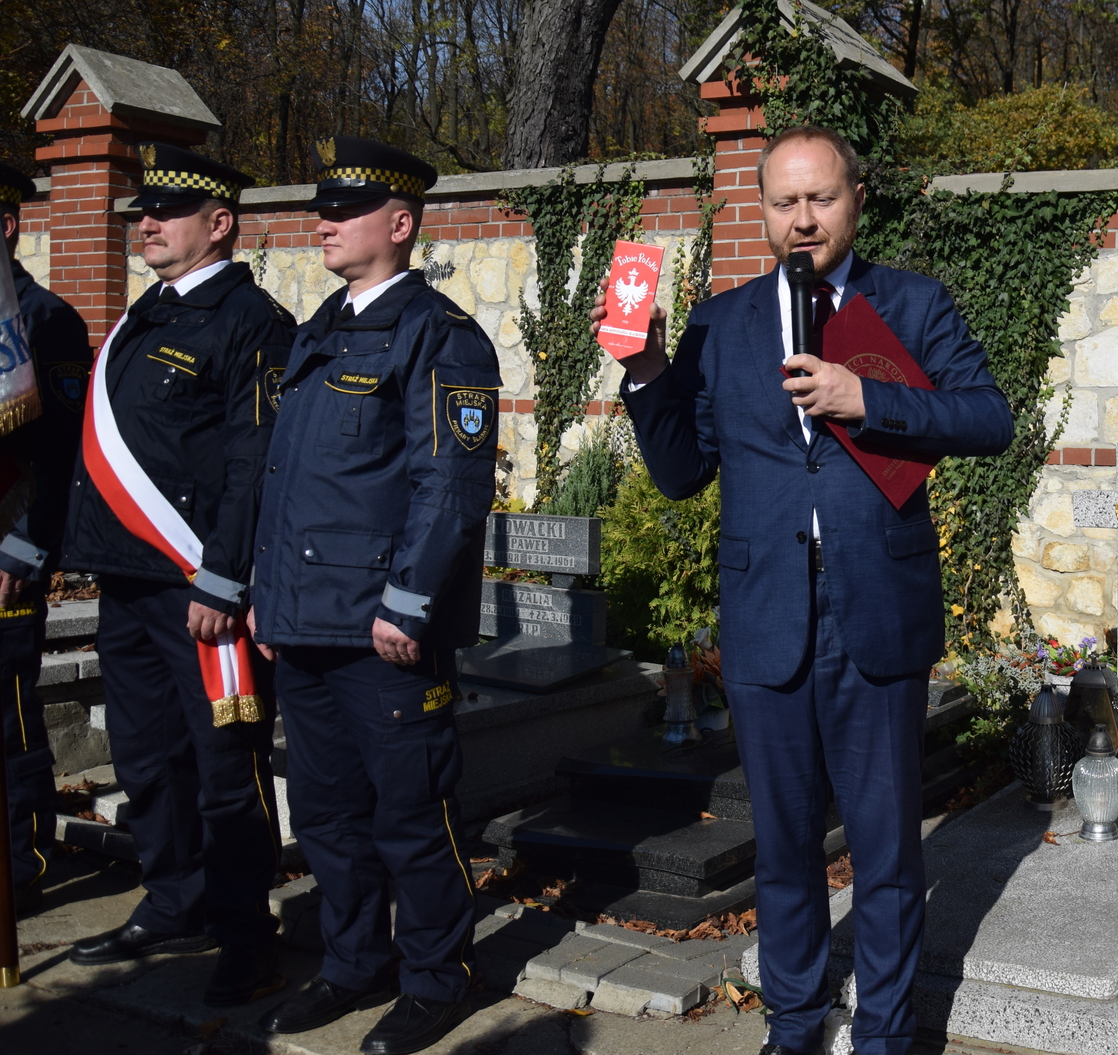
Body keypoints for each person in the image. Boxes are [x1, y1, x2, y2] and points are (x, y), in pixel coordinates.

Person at [599, 124, 1012, 1055]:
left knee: (887, 846)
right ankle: (792, 1026)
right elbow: (682, 472)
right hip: (767, 612)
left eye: (821, 198)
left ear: (856, 197)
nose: (803, 218)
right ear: (761, 211)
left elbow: (989, 419)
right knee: (783, 844)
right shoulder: (722, 322)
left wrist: (869, 400)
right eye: (784, 202)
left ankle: (886, 1036)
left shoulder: (913, 304)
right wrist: (648, 369)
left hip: (878, 606)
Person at [250, 136, 498, 1055]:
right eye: (323, 209)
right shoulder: (318, 329)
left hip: (382, 632)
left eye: (345, 210)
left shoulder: (441, 334)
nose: (325, 222)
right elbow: (288, 481)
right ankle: (353, 962)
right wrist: (269, 599)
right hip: (306, 624)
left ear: (399, 224)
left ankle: (437, 977)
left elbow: (452, 486)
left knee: (411, 815)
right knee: (325, 814)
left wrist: (409, 602)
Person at [61, 144, 290, 1005]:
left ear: (219, 223)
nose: (147, 224)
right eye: (143, 213)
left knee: (226, 767)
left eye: (166, 212)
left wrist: (224, 578)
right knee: (146, 758)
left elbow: (254, 461)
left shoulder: (251, 322)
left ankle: (245, 932)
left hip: (198, 591)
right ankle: (173, 901)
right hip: (125, 580)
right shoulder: (143, 316)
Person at [0, 163, 90, 914]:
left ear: (5, 226)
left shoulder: (45, 320)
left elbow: (59, 455)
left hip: (3, 554)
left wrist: (26, 549)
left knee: (6, 716)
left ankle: (19, 863)